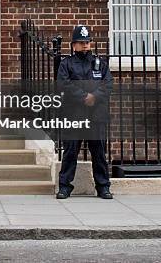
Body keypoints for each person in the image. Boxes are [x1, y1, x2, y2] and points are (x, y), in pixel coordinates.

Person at [56, 24, 113, 200]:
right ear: (74, 45)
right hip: (74, 114)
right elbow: (63, 84)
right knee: (70, 152)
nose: (85, 45)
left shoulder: (99, 63)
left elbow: (108, 84)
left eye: (87, 42)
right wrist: (84, 96)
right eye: (81, 42)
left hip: (96, 115)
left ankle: (103, 187)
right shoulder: (66, 64)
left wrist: (94, 96)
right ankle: (65, 187)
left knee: (98, 153)